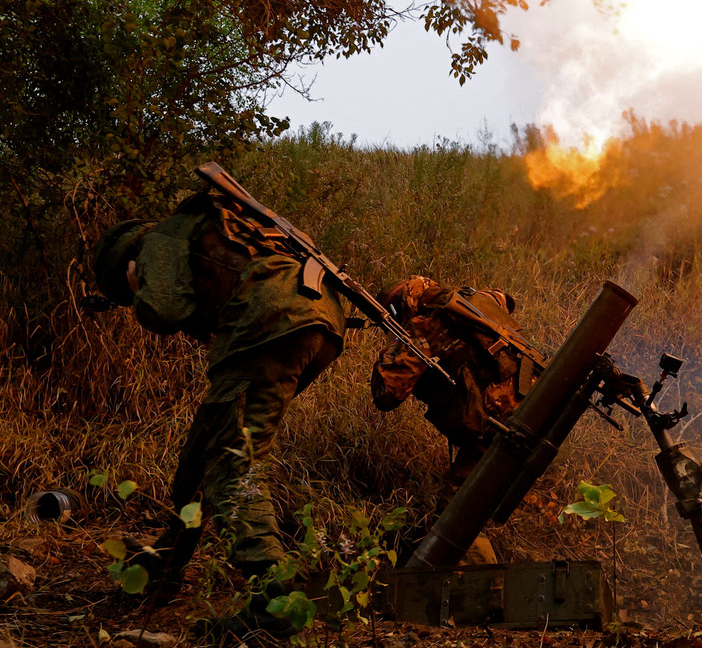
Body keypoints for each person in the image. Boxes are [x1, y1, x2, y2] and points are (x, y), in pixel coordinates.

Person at [93, 186, 345, 634]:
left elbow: (166, 308)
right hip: (315, 323)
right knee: (200, 458)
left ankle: (276, 602)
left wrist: (138, 290)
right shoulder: (211, 228)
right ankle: (161, 572)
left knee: (234, 463)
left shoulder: (161, 240)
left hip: (267, 323)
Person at [370, 275, 543, 565]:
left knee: (456, 514)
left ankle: (485, 594)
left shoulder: (420, 330)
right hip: (538, 400)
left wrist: (390, 349)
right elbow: (505, 299)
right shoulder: (477, 299)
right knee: (464, 507)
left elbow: (386, 395)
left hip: (500, 424)